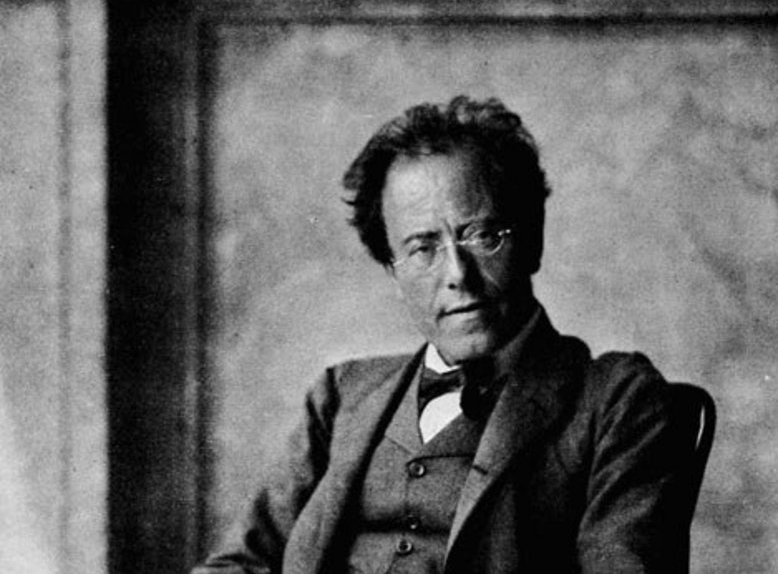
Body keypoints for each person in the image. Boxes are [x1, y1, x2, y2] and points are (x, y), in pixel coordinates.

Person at [193, 96, 693, 573]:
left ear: (533, 240)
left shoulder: (617, 401)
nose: (457, 274)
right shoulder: (341, 396)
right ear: (393, 271)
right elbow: (239, 563)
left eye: (483, 235)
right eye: (422, 248)